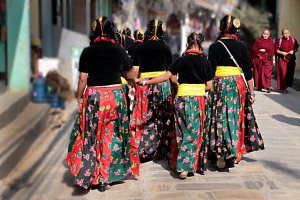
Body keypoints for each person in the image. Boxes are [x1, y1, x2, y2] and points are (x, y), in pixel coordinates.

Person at [65, 16, 139, 192]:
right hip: (115, 97)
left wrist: (79, 97)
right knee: (110, 136)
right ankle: (105, 177)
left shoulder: (88, 52)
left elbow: (83, 78)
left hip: (94, 97)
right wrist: (133, 86)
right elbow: (129, 75)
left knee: (91, 136)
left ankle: (90, 174)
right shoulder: (119, 51)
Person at [138, 32, 213, 179]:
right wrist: (196, 87)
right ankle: (186, 166)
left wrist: (146, 82)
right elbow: (209, 86)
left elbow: (166, 76)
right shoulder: (206, 62)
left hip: (182, 99)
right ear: (202, 45)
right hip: (198, 101)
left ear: (187, 44)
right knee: (194, 132)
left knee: (182, 131)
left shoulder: (182, 60)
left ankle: (184, 163)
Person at [206, 15, 255, 169]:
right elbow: (248, 72)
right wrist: (252, 93)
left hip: (219, 83)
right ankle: (232, 150)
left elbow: (210, 72)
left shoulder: (214, 46)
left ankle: (219, 151)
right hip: (235, 84)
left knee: (218, 117)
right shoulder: (240, 46)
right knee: (233, 117)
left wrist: (207, 89)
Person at [131, 19, 173, 161]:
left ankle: (144, 149)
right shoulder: (166, 48)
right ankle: (160, 149)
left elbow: (135, 70)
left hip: (144, 86)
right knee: (162, 116)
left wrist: (133, 85)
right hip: (162, 85)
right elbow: (169, 71)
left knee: (146, 117)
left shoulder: (139, 48)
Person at [275, 28, 299, 94]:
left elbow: (296, 48)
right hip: (282, 59)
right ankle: (284, 88)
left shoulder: (293, 40)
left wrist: (293, 51)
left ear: (289, 33)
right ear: (282, 34)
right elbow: (276, 50)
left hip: (291, 59)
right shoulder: (280, 40)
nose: (286, 35)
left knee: (289, 73)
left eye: (287, 33)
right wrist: (282, 53)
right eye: (285, 33)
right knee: (283, 73)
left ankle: (286, 86)